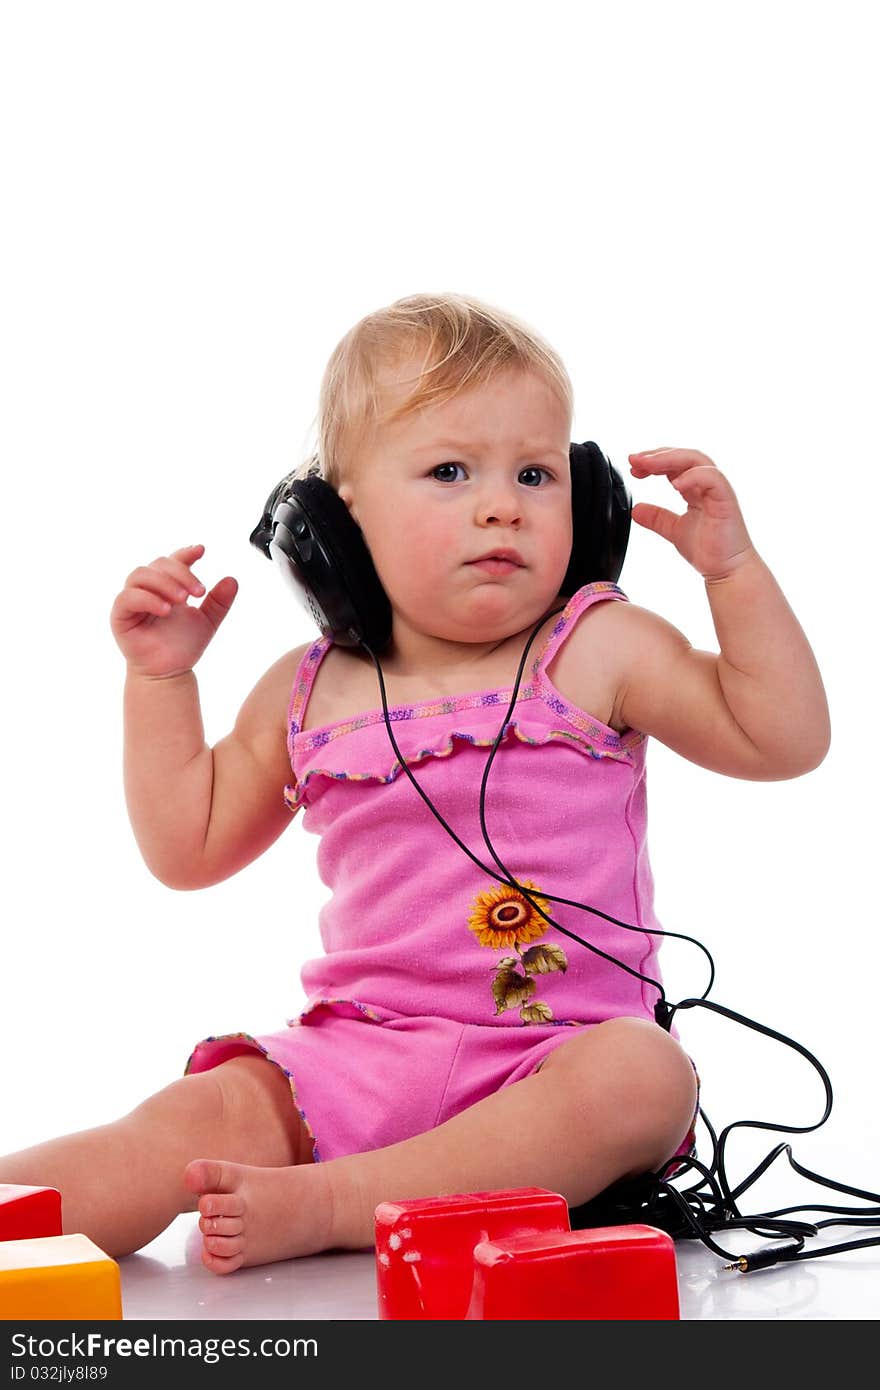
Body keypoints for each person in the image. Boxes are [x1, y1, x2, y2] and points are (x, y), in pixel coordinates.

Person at [0, 293, 830, 1275]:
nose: (501, 504)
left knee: (644, 1076)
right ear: (334, 523)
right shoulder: (309, 688)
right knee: (194, 1117)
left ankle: (339, 1202)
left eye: (535, 473)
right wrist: (160, 681)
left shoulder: (597, 646)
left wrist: (731, 572)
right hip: (355, 1062)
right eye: (449, 471)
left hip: (553, 1068)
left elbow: (783, 738)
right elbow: (187, 847)